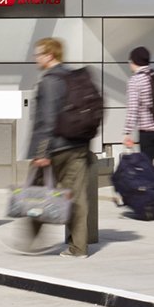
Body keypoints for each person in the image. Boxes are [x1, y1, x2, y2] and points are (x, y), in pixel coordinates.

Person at [27, 37, 102, 257]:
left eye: (39, 54)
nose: (36, 58)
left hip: (56, 148)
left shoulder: (50, 81)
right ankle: (79, 247)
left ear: (50, 55)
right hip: (78, 146)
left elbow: (47, 120)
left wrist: (41, 152)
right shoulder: (73, 77)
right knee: (76, 197)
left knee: (37, 193)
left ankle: (30, 240)